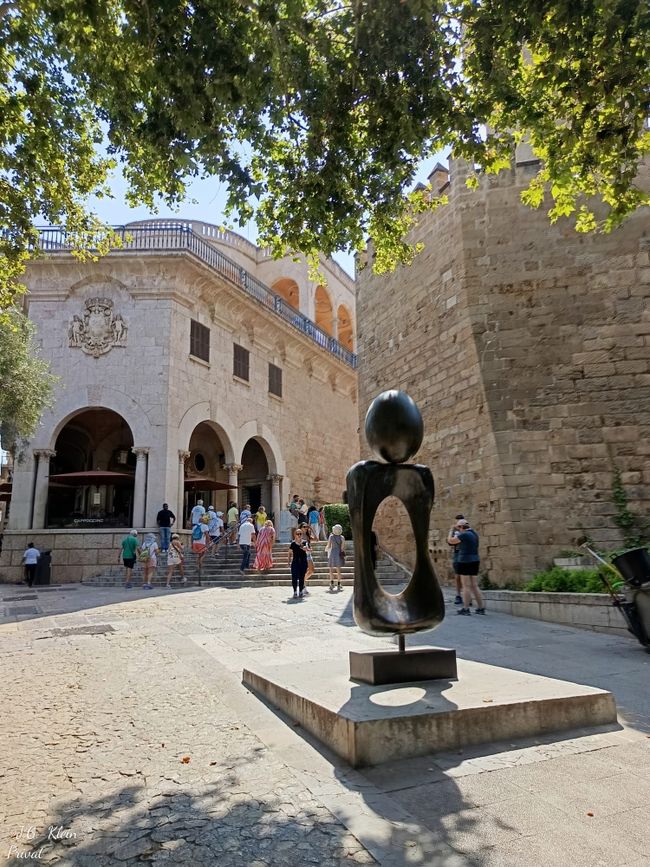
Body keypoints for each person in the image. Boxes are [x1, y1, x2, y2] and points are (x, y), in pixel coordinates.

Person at [448, 519, 485, 615]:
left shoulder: (464, 535)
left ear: (461, 527)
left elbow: (451, 541)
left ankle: (465, 608)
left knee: (466, 586)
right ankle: (481, 608)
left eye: (458, 527)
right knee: (474, 585)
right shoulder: (474, 534)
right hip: (475, 560)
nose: (458, 529)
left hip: (465, 560)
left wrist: (451, 531)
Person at [448, 513, 465, 605]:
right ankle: (458, 595)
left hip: (465, 553)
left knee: (466, 576)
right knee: (458, 575)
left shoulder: (466, 531)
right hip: (458, 553)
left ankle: (466, 595)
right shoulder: (455, 531)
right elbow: (450, 543)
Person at [288, 527, 309, 598]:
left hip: (303, 561)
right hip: (295, 561)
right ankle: (294, 591)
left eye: (300, 534)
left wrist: (306, 549)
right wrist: (288, 562)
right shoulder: (293, 543)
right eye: (298, 534)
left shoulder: (305, 542)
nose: (299, 535)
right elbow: (289, 553)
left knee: (301, 577)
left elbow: (309, 549)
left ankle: (300, 591)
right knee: (294, 577)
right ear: (295, 535)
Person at [326, 523, 346, 592]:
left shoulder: (331, 536)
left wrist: (326, 549)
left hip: (332, 553)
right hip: (338, 554)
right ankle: (339, 584)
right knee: (338, 570)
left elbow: (328, 546)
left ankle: (331, 583)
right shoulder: (342, 537)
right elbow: (342, 548)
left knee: (331, 569)